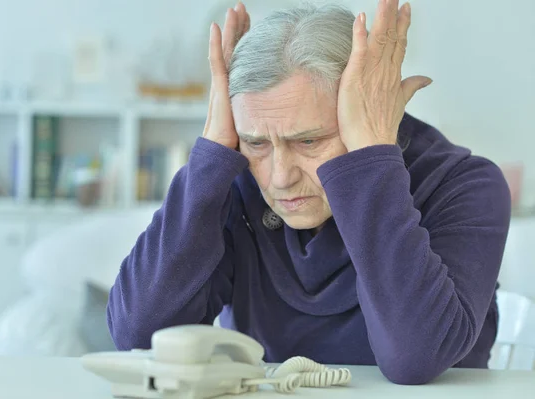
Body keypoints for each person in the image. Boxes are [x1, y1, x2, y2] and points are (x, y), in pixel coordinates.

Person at [106, 0, 511, 385]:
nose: (280, 178)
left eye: (310, 141)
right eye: (257, 142)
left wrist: (370, 160)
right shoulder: (233, 181)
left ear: (371, 110)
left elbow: (416, 357)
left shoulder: (465, 185)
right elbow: (138, 334)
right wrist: (212, 151)